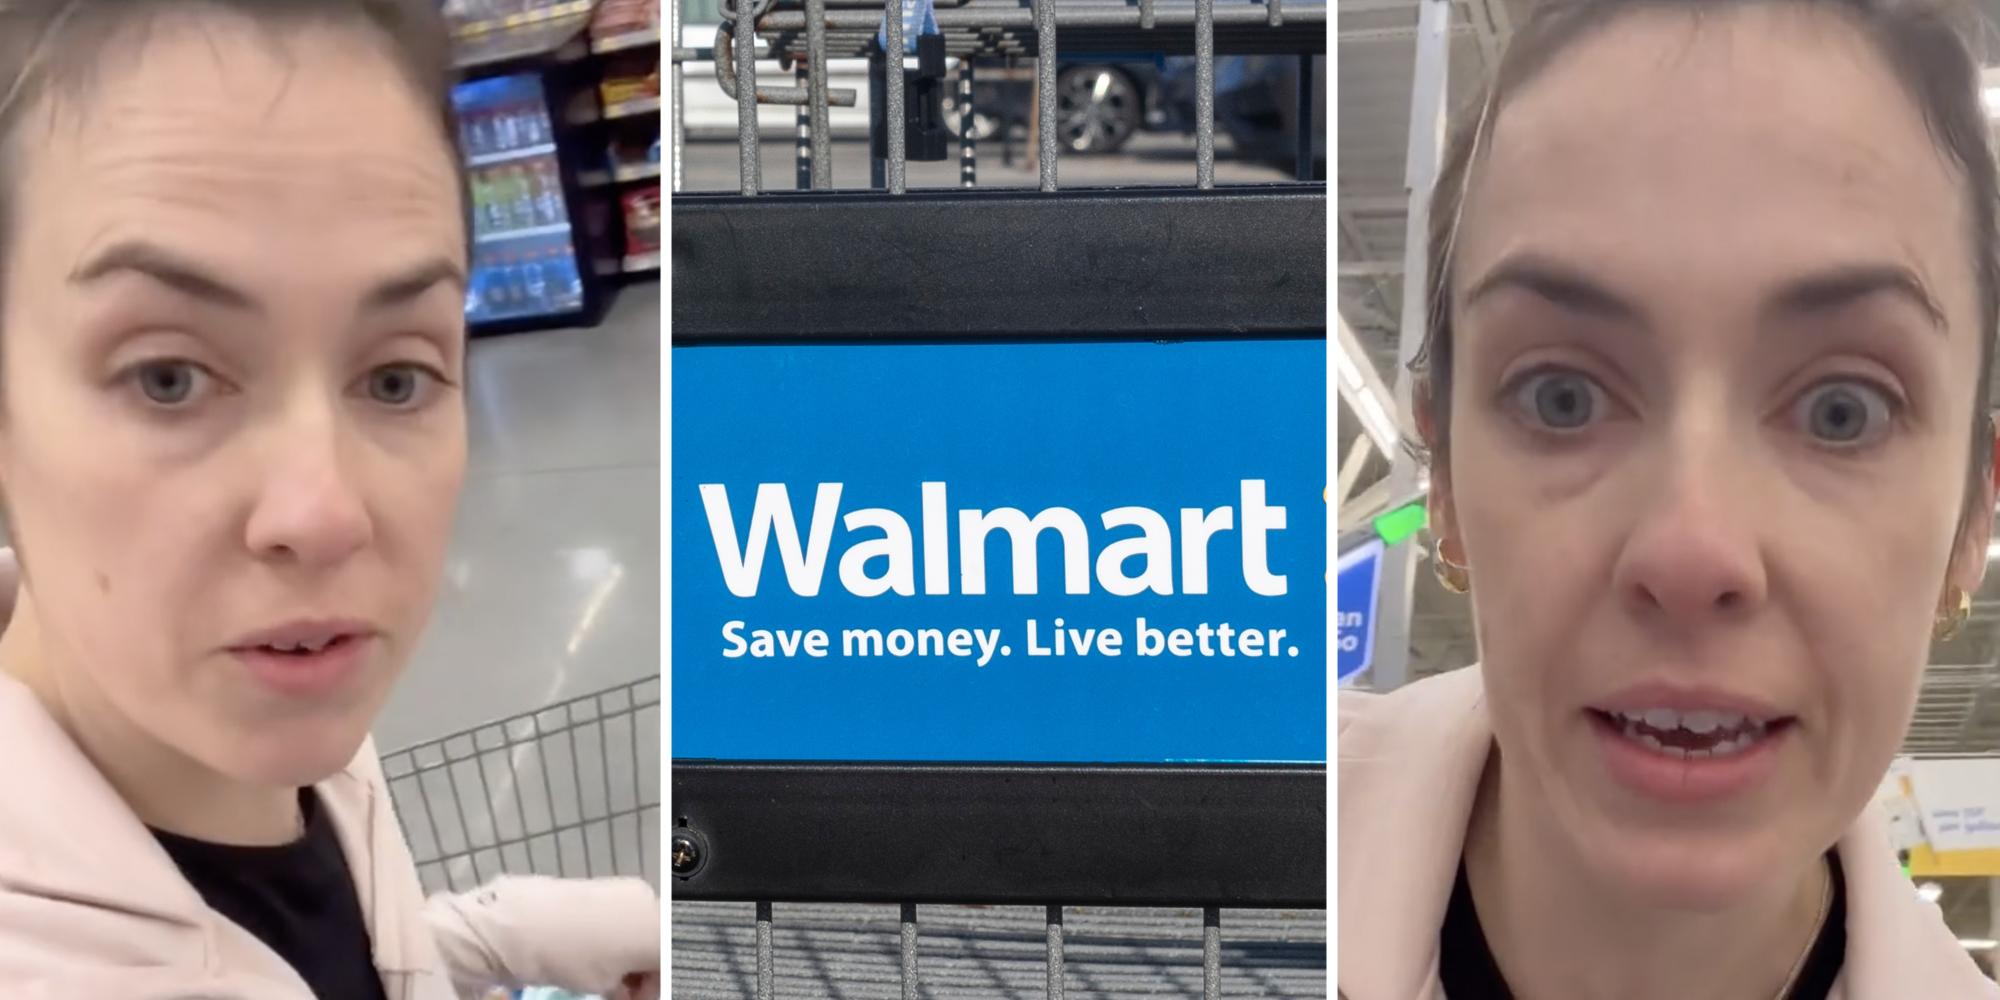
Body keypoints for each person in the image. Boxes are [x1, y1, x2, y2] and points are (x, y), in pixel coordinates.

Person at [1337, 0, 2000, 996]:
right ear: (1446, 483)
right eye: (1559, 396)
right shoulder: (1217, 869)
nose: (1692, 550)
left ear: (1970, 521)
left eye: (1843, 410)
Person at [0, 2, 660, 998]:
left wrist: (495, 938)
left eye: (395, 376)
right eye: (167, 377)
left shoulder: (267, 693)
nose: (325, 515)